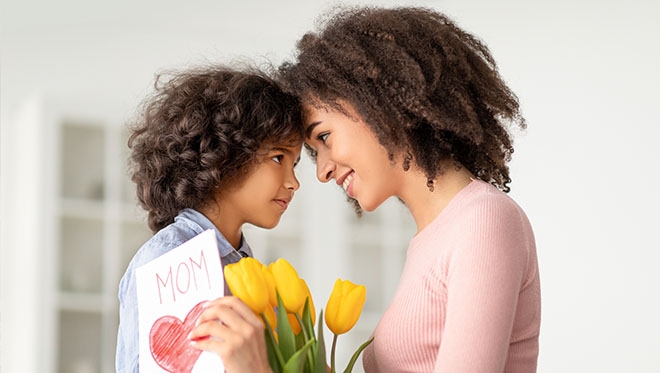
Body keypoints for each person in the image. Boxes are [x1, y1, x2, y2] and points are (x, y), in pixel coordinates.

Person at [192, 5, 541, 373]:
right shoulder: (438, 235)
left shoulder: (483, 220)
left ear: (379, 102)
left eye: (324, 137)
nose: (323, 171)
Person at [115, 65, 303, 372]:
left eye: (294, 164)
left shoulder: (241, 261)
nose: (293, 182)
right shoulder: (172, 258)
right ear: (224, 155)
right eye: (278, 158)